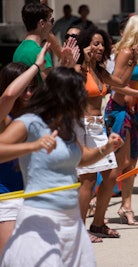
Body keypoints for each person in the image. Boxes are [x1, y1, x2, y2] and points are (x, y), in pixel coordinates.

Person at [0, 67, 123, 266]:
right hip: (41, 218)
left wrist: (106, 147)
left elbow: (82, 157)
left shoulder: (65, 127)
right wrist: (33, 146)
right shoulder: (30, 123)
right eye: (79, 94)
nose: (83, 99)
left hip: (71, 220)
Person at [75, 28, 138, 241]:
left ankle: (98, 224)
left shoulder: (99, 71)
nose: (99, 48)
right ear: (85, 45)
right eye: (95, 43)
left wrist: (134, 68)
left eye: (102, 44)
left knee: (111, 175)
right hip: (82, 127)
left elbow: (119, 83)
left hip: (98, 127)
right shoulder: (78, 70)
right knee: (88, 180)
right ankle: (80, 231)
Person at [0, 43, 49, 256]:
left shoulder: (34, 114)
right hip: (5, 196)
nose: (29, 93)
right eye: (25, 87)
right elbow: (10, 95)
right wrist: (36, 66)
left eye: (33, 87)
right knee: (9, 257)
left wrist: (67, 64)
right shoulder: (3, 115)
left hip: (33, 194)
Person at [105, 15, 138, 225]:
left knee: (132, 162)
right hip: (119, 110)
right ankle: (97, 200)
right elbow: (114, 84)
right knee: (121, 162)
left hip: (131, 112)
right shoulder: (125, 52)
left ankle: (126, 206)